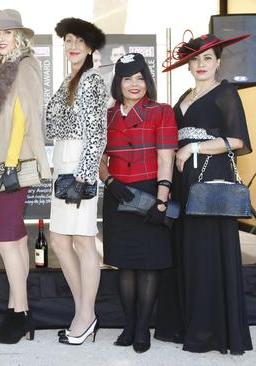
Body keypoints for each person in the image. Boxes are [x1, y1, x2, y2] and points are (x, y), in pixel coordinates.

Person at [156, 32, 253, 355]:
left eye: (208, 58)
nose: (201, 64)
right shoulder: (184, 94)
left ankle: (210, 331)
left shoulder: (226, 93)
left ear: (218, 62)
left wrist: (193, 147)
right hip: (184, 186)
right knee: (187, 252)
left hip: (210, 182)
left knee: (208, 252)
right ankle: (187, 325)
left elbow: (237, 141)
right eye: (195, 59)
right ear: (188, 64)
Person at [0, 9, 50, 344]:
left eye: (8, 33)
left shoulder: (25, 65)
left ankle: (19, 314)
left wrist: (8, 163)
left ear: (20, 36)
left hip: (12, 162)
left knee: (5, 238)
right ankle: (15, 310)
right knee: (15, 236)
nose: (2, 38)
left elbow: (24, 116)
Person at [99, 53, 178, 353]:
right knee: (125, 265)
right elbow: (99, 159)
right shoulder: (106, 116)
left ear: (148, 80)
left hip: (149, 193)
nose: (134, 85)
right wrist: (110, 182)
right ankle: (129, 325)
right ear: (118, 83)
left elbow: (165, 157)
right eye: (128, 79)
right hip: (118, 194)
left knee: (148, 265)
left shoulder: (162, 111)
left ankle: (143, 327)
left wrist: (162, 198)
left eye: (140, 78)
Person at [45, 17, 107, 345]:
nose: (73, 46)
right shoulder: (69, 79)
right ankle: (84, 309)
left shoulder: (93, 80)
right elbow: (52, 124)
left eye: (79, 41)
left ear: (90, 47)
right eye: (68, 40)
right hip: (63, 164)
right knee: (58, 241)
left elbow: (98, 132)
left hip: (79, 167)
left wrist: (84, 175)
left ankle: (85, 314)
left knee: (83, 241)